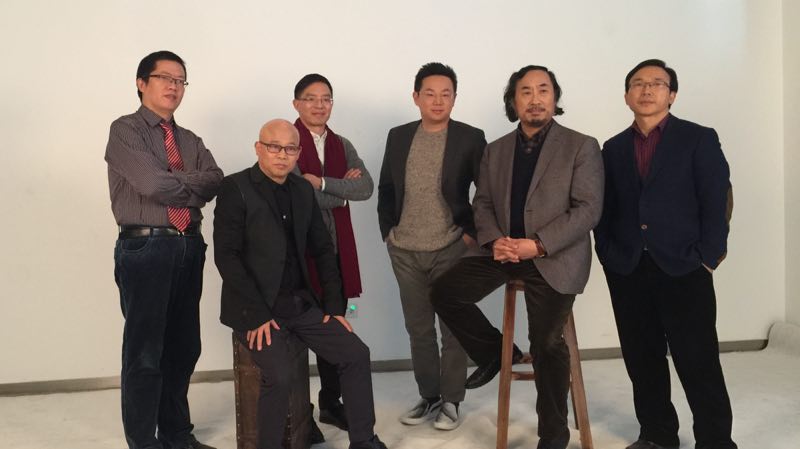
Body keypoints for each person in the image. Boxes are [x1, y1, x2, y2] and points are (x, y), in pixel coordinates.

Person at [431, 65, 604, 449]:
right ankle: (496, 354)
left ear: (555, 98)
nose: (535, 98)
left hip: (554, 256)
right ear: (513, 101)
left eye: (543, 90)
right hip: (504, 250)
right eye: (525, 91)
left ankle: (553, 436)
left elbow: (588, 209)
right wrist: (495, 241)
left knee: (546, 343)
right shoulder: (495, 150)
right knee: (443, 292)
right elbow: (483, 203)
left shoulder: (581, 145)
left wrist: (538, 244)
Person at [214, 119, 388, 449]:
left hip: (300, 305)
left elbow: (323, 250)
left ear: (298, 153)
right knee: (279, 376)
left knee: (355, 353)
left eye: (290, 149)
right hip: (257, 310)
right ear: (258, 148)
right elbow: (227, 257)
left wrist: (334, 307)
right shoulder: (235, 188)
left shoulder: (302, 189)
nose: (282, 155)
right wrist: (257, 315)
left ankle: (363, 440)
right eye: (274, 147)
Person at [594, 59, 736, 449]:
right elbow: (605, 209)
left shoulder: (698, 138)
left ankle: (716, 441)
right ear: (626, 96)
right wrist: (607, 253)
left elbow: (716, 200)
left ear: (671, 95)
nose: (646, 90)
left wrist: (709, 256)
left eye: (657, 83)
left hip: (685, 267)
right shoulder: (613, 148)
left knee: (698, 361)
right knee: (642, 361)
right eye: (638, 84)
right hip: (628, 269)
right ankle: (657, 436)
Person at [105, 50, 222, 449]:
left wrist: (173, 180)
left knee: (184, 347)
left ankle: (176, 435)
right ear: (142, 83)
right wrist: (188, 183)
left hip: (189, 245)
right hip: (146, 247)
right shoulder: (125, 130)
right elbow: (152, 185)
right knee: (145, 352)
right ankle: (144, 442)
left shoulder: (190, 139)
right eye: (165, 78)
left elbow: (215, 180)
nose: (174, 86)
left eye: (180, 80)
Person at [377, 62, 486, 430]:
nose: (438, 101)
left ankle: (452, 400)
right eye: (430, 93)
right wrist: (388, 232)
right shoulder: (398, 136)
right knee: (418, 329)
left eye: (446, 94)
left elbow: (486, 191)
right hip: (404, 249)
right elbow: (387, 187)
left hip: (451, 246)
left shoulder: (470, 137)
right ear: (416, 97)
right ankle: (429, 395)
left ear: (454, 98)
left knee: (452, 328)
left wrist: (471, 234)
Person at [291, 73, 374, 434]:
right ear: (297, 103)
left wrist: (322, 182)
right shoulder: (288, 139)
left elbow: (366, 187)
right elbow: (296, 192)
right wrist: (341, 194)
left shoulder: (342, 144)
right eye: (311, 98)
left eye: (326, 98)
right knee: (297, 331)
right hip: (299, 252)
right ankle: (299, 410)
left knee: (335, 325)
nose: (319, 105)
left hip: (337, 252)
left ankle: (330, 403)